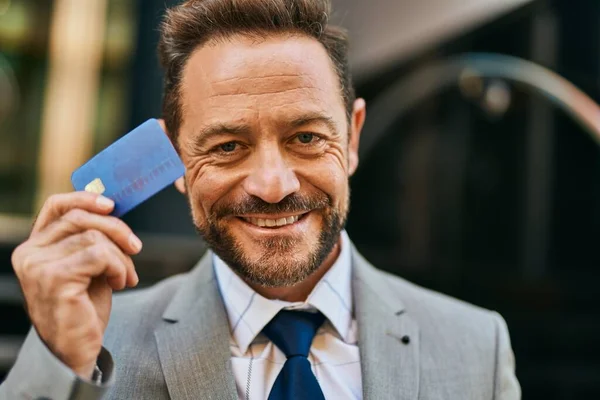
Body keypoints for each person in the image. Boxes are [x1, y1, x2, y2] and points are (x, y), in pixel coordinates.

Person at [1, 0, 521, 399]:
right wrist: (62, 363)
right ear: (176, 159)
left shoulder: (476, 348)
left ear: (353, 138)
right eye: (228, 147)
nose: (274, 186)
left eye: (306, 138)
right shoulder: (91, 346)